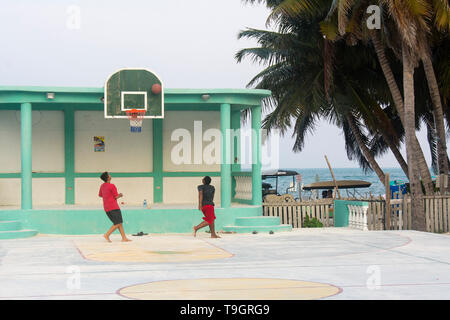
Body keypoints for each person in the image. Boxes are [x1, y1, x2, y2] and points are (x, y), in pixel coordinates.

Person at [99, 172, 131, 243]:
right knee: (118, 222)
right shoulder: (112, 186)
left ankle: (124, 238)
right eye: (109, 174)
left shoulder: (102, 186)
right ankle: (107, 235)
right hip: (113, 207)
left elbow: (100, 195)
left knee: (119, 222)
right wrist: (120, 195)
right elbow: (116, 196)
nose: (110, 175)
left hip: (106, 207)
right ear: (108, 177)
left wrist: (108, 196)